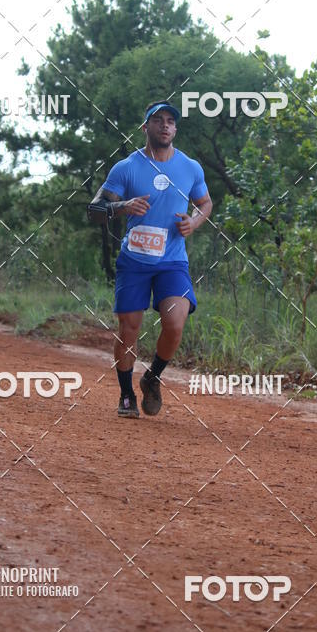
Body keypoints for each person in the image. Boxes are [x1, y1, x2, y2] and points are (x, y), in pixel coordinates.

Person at [88, 101, 212, 419]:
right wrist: (122, 206)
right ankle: (127, 393)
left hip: (172, 261)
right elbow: (95, 210)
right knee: (129, 328)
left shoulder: (190, 167)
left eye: (171, 121)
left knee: (175, 324)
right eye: (158, 121)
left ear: (175, 129)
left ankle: (152, 377)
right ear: (146, 128)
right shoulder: (126, 167)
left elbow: (205, 203)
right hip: (134, 261)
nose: (166, 126)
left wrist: (193, 223)